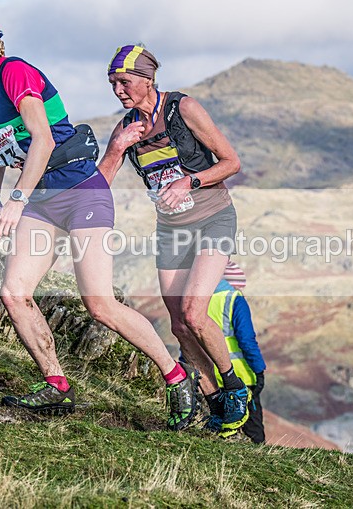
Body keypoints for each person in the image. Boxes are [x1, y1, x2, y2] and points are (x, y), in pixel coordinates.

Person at [0, 11, 200, 430]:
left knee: (99, 305)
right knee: (13, 293)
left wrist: (16, 199)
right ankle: (56, 383)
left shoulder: (15, 73)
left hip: (81, 194)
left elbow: (41, 138)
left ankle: (176, 375)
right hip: (41, 201)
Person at [99, 44, 251, 435]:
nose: (118, 90)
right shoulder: (125, 128)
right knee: (179, 326)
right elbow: (100, 184)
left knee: (195, 313)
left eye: (125, 81)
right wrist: (117, 148)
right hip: (170, 229)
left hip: (213, 219)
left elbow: (231, 162)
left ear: (148, 79)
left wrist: (190, 180)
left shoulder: (182, 108)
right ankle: (214, 399)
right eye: (113, 83)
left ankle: (235, 388)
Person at [207, 262, 267, 442]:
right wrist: (259, 369)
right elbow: (247, 340)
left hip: (210, 377)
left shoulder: (199, 300)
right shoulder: (235, 299)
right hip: (241, 376)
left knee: (219, 424)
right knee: (253, 427)